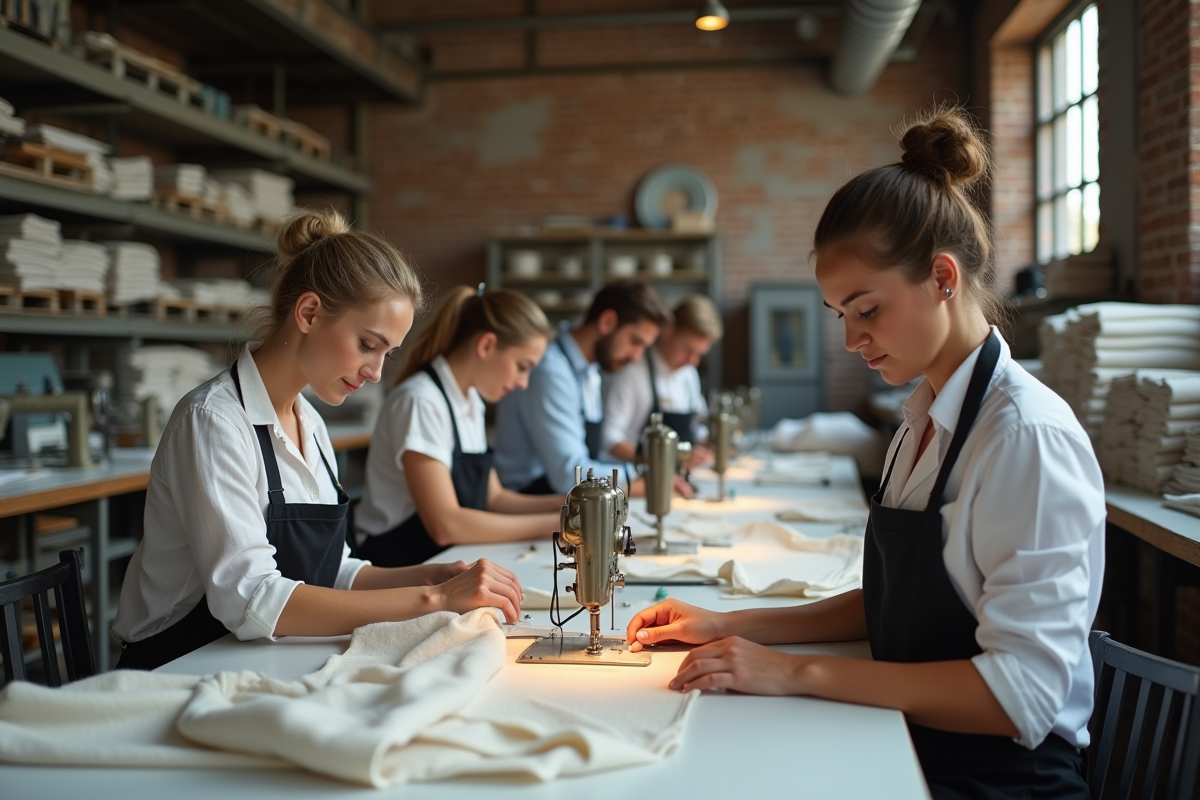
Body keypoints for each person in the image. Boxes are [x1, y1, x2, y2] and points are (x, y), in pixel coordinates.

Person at [625, 107, 1103, 800]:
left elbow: (1017, 698)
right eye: (840, 316)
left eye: (866, 310)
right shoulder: (923, 417)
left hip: (994, 778)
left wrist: (789, 672)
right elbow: (892, 603)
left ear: (943, 278)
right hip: (918, 741)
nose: (852, 340)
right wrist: (730, 625)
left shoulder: (1024, 438)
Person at [113, 210, 522, 671]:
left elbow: (332, 572)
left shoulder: (310, 422)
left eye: (387, 353)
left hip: (247, 660)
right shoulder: (213, 421)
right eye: (368, 345)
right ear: (308, 313)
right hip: (175, 666)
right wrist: (433, 598)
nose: (377, 372)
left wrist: (430, 575)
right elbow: (251, 600)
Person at [354, 284, 564, 567]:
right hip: (394, 561)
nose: (523, 383)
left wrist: (570, 503)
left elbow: (495, 498)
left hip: (441, 556)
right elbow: (445, 525)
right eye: (522, 366)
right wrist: (560, 525)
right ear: (486, 345)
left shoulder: (470, 400)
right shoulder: (421, 401)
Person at [494, 278, 683, 497]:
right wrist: (647, 478)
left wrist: (645, 471)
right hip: (531, 500)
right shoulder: (551, 371)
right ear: (608, 322)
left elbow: (590, 457)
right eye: (635, 341)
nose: (636, 357)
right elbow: (569, 476)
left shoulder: (590, 371)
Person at [602, 293, 723, 465]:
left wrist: (707, 443)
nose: (693, 361)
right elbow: (609, 440)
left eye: (699, 355)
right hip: (637, 475)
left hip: (678, 473)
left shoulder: (689, 374)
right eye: (688, 350)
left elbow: (697, 425)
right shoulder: (632, 372)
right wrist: (666, 456)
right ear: (669, 331)